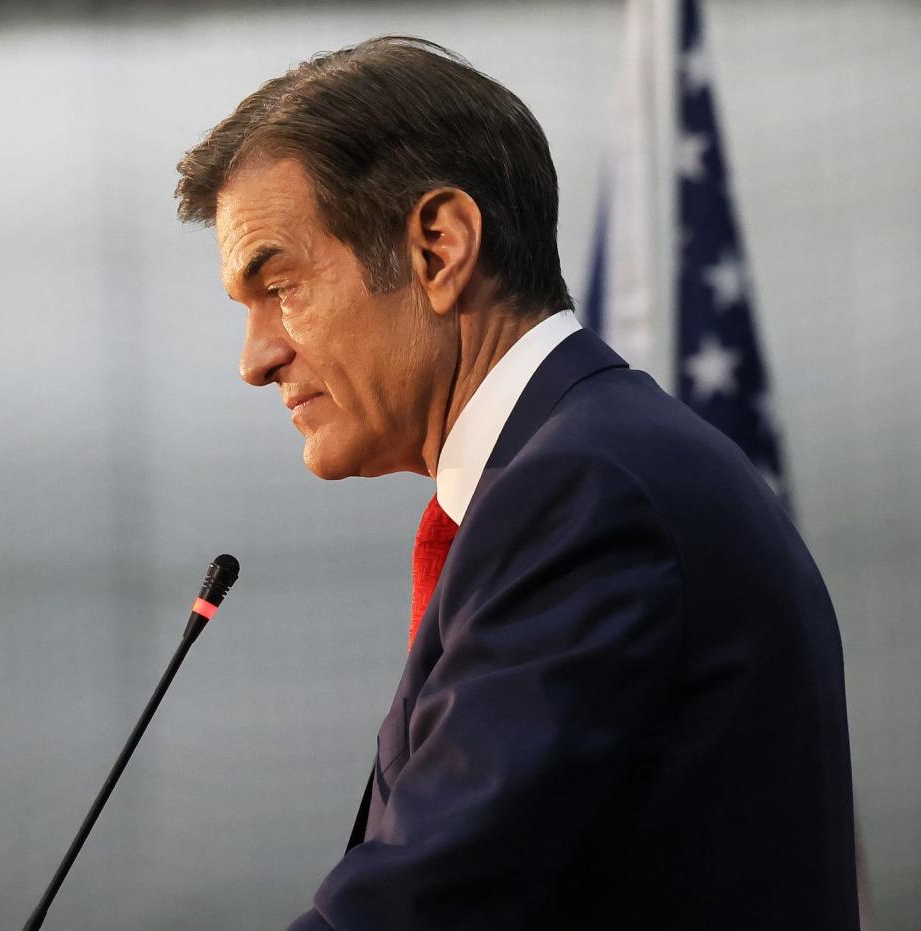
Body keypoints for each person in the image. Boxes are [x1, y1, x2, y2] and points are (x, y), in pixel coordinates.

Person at [174, 36, 859, 930]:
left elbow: (423, 907)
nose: (255, 359)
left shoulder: (584, 494)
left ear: (439, 247)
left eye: (283, 287)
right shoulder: (589, 462)